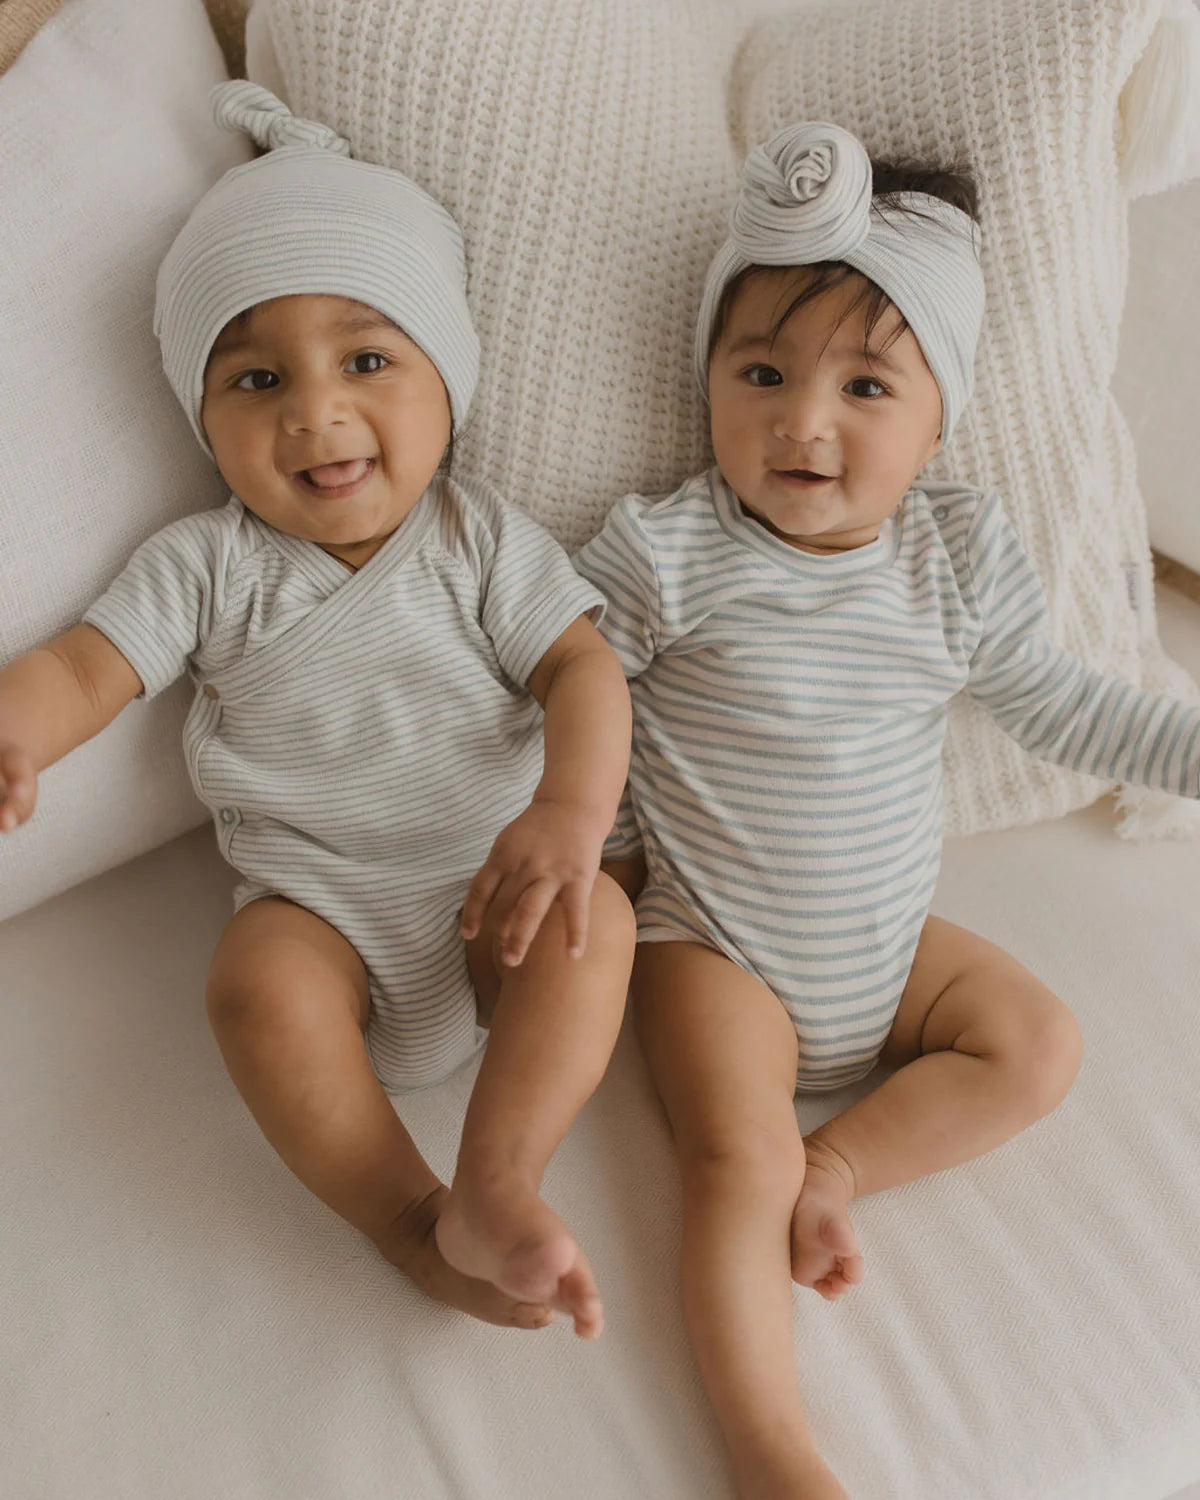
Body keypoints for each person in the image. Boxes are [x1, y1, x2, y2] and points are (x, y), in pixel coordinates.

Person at [574, 120, 1200, 1496]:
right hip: (715, 945)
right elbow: (562, 707)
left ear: (936, 423)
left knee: (1038, 1044)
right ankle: (770, 1449)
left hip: (894, 944)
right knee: (733, 1161)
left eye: (867, 386)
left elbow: (1062, 706)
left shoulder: (959, 553)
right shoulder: (666, 551)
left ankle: (843, 1165)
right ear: (712, 385)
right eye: (762, 373)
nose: (805, 420)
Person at [0, 83, 636, 1342]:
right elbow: (83, 668)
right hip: (320, 916)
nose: (313, 409)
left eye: (366, 358)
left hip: (493, 887)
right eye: (253, 376)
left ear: (447, 382)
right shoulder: (206, 564)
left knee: (597, 920)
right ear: (204, 419)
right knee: (252, 986)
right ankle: (409, 1221)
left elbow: (584, 670)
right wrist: (16, 726)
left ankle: (500, 1173)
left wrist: (570, 816)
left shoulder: (479, 541)